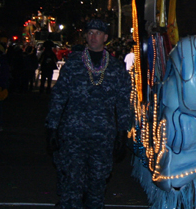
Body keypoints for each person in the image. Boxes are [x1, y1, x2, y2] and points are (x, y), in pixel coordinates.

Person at [46, 19, 132, 209]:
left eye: (98, 33)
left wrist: (122, 133)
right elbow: (59, 96)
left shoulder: (116, 68)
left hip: (102, 136)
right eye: (90, 33)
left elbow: (123, 103)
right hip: (73, 133)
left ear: (106, 38)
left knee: (98, 183)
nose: (93, 37)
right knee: (72, 181)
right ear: (86, 36)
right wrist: (52, 127)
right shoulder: (73, 64)